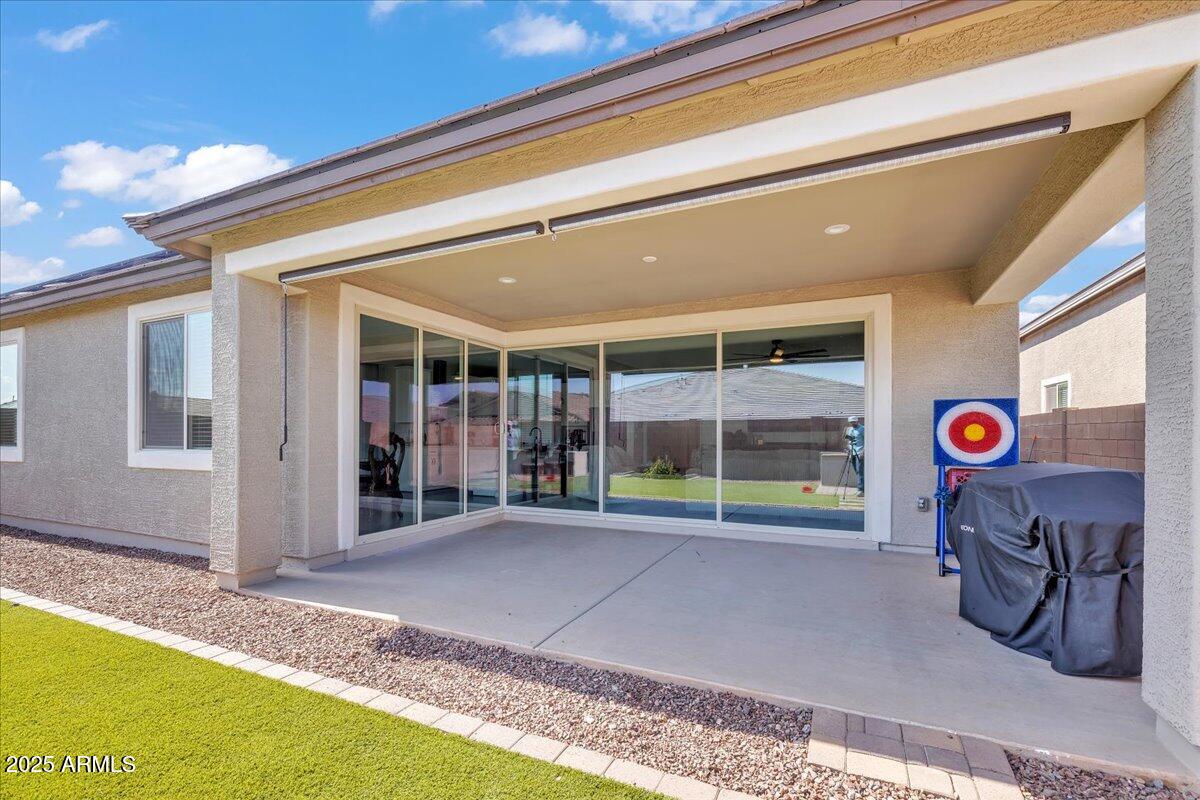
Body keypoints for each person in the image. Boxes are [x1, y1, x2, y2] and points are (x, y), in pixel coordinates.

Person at [843, 416, 865, 496]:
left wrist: (863, 451)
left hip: (860, 453)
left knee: (860, 471)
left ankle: (861, 490)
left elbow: (867, 441)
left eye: (853, 422)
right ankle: (863, 486)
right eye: (851, 422)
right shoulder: (850, 430)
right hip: (852, 453)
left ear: (857, 421)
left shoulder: (863, 429)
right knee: (857, 470)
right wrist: (848, 449)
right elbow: (848, 441)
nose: (852, 423)